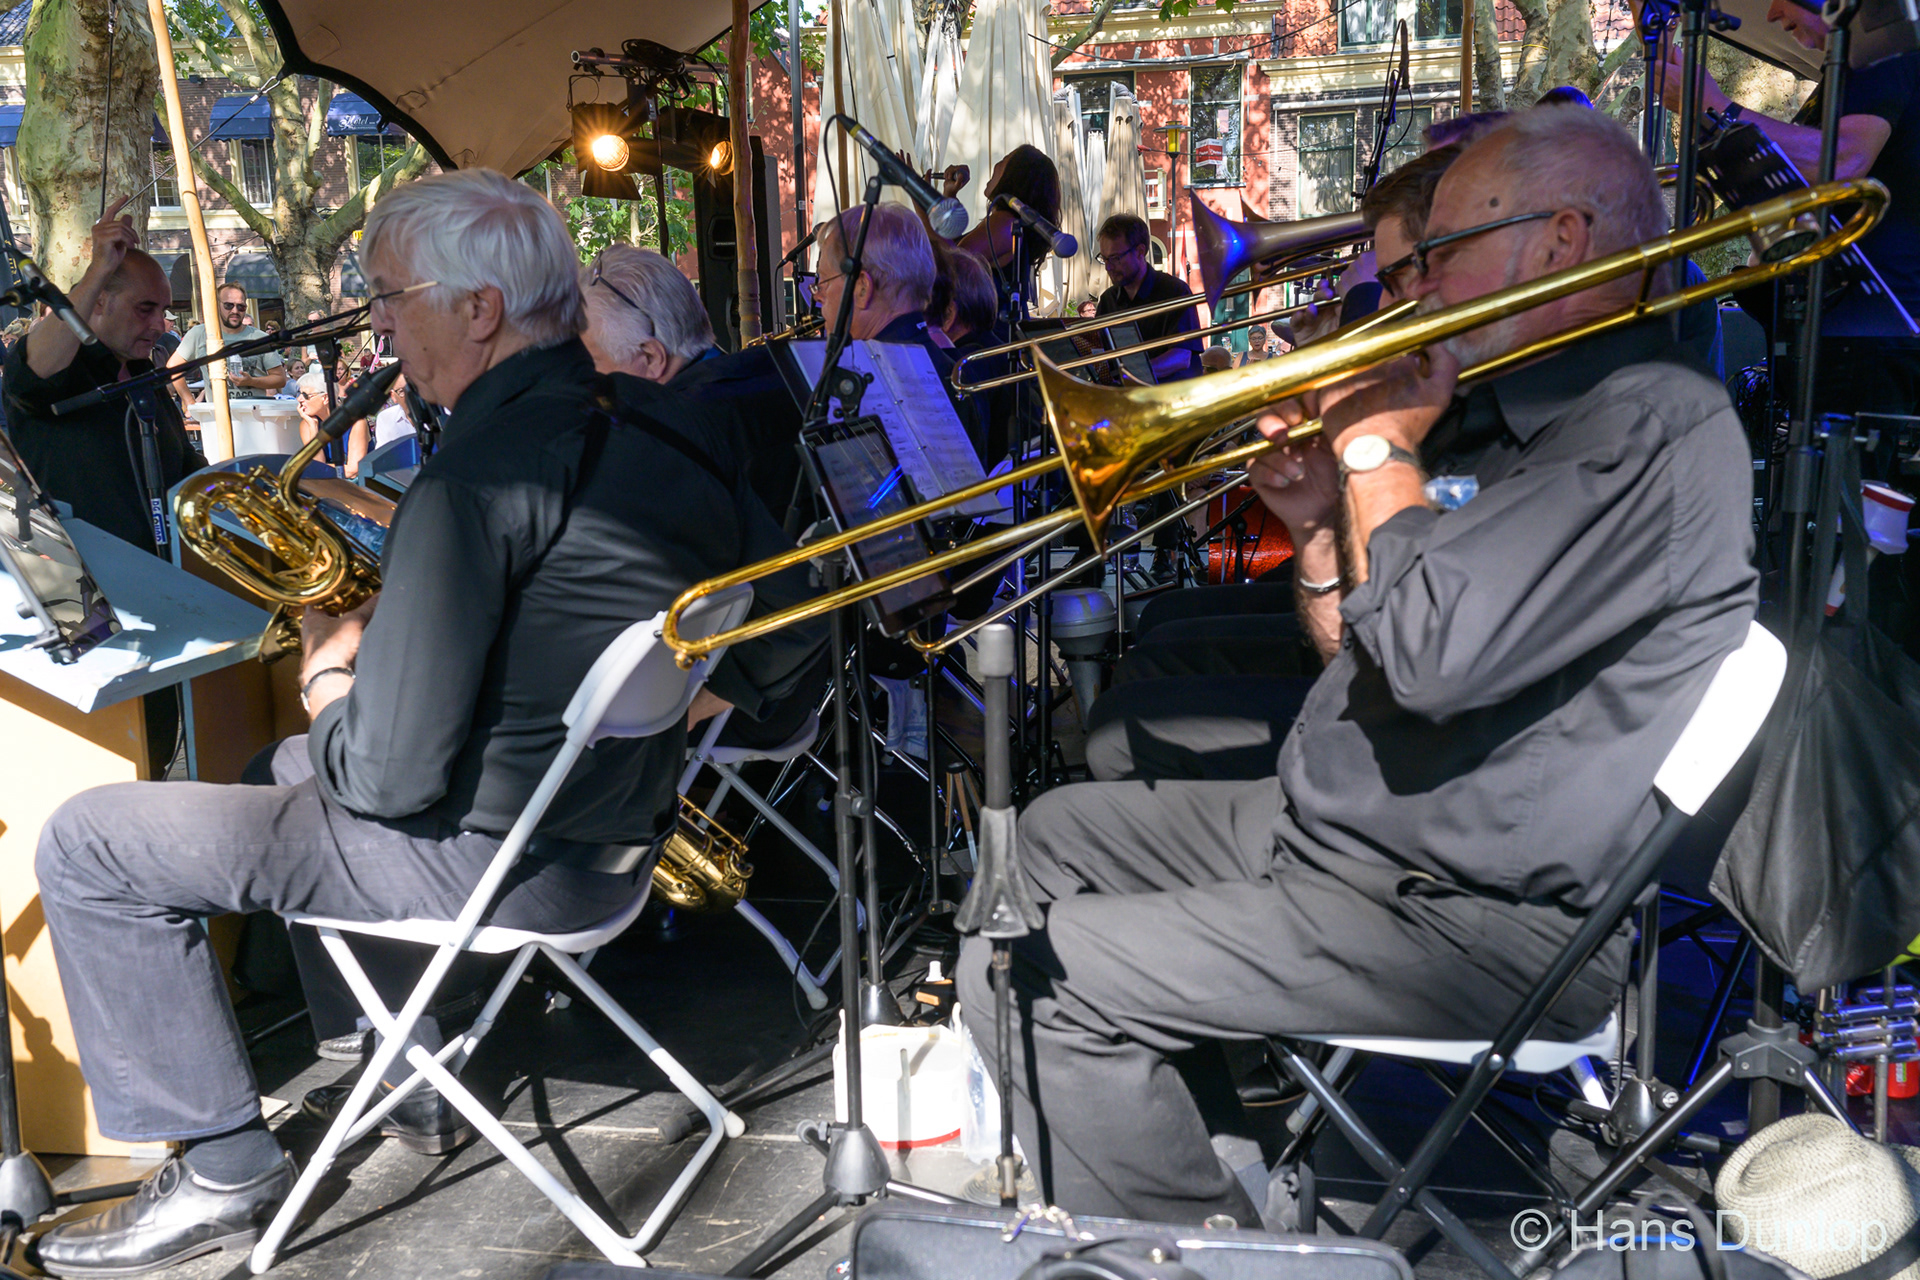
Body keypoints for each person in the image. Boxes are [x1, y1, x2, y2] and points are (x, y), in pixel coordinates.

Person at [957, 106, 1758, 1227]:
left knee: (1044, 970)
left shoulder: (1650, 425)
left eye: (1444, 252)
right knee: (1050, 842)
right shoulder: (1494, 411)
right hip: (1351, 829)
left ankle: (1183, 1250)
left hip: (1469, 912)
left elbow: (1429, 659)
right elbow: (1359, 647)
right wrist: (1320, 526)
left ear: (1565, 237)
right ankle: (1217, 1192)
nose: (1416, 282)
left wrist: (1376, 446)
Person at [25, 169, 819, 1278]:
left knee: (90, 836)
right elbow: (788, 654)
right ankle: (395, 1062)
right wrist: (620, 713)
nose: (381, 326)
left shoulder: (473, 481)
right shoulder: (668, 428)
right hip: (614, 852)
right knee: (279, 768)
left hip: (492, 864)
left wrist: (330, 667)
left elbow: (384, 780)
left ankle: (218, 1166)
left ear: (479, 310)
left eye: (392, 297)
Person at [1079, 143, 1454, 785]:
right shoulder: (1114, 302)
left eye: (1391, 278)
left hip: (1385, 674)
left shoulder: (1167, 291)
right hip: (1353, 616)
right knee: (1165, 623)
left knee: (1144, 674)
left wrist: (1358, 350)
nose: (1113, 267)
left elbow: (1183, 360)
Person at [1, 199, 208, 780]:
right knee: (104, 766)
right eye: (146, 309)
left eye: (165, 311)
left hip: (159, 596)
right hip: (82, 606)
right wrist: (93, 271)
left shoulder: (144, 377)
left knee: (161, 744)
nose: (159, 325)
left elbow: (182, 472)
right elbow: (27, 375)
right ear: (100, 304)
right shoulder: (66, 371)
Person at [1653, 0, 1920, 314]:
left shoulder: (1883, 57)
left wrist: (1715, 105)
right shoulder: (1849, 74)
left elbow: (1842, 162)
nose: (1770, 14)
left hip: (1877, 326)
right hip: (1844, 317)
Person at [1094, 213, 1201, 382]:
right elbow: (1099, 352)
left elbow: (1181, 356)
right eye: (1104, 258)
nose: (1108, 267)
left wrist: (1130, 375)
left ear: (1140, 251)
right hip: (1126, 400)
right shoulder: (1108, 299)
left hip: (1171, 400)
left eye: (1115, 258)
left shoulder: (1175, 291)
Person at [168, 283, 287, 407]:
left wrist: (251, 381)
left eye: (240, 307)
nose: (235, 311)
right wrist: (189, 402)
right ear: (217, 305)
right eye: (228, 305)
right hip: (216, 415)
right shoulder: (199, 334)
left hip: (252, 415)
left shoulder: (259, 338)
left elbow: (280, 379)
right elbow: (173, 368)